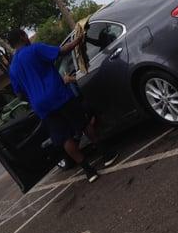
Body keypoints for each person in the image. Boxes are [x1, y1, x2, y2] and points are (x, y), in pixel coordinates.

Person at [7, 29, 118, 183]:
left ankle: (89, 171)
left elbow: (19, 94)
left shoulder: (12, 68)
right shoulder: (34, 49)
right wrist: (77, 40)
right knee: (83, 123)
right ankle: (106, 154)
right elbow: (62, 51)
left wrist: (34, 96)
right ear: (23, 36)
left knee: (64, 138)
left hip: (42, 107)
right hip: (58, 95)